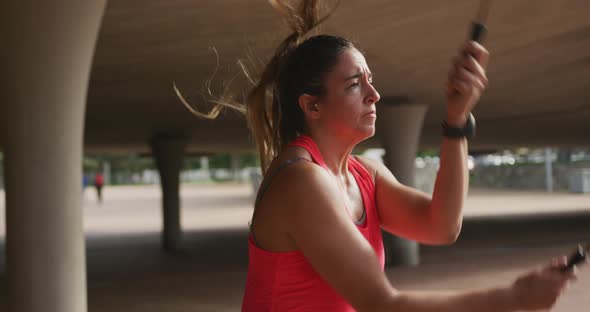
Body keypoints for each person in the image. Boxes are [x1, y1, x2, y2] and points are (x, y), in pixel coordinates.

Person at [182, 1, 583, 310]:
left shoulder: (365, 174)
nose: (374, 95)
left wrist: (457, 120)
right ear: (312, 106)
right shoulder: (301, 181)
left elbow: (441, 226)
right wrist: (513, 298)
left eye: (371, 82)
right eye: (356, 85)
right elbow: (381, 304)